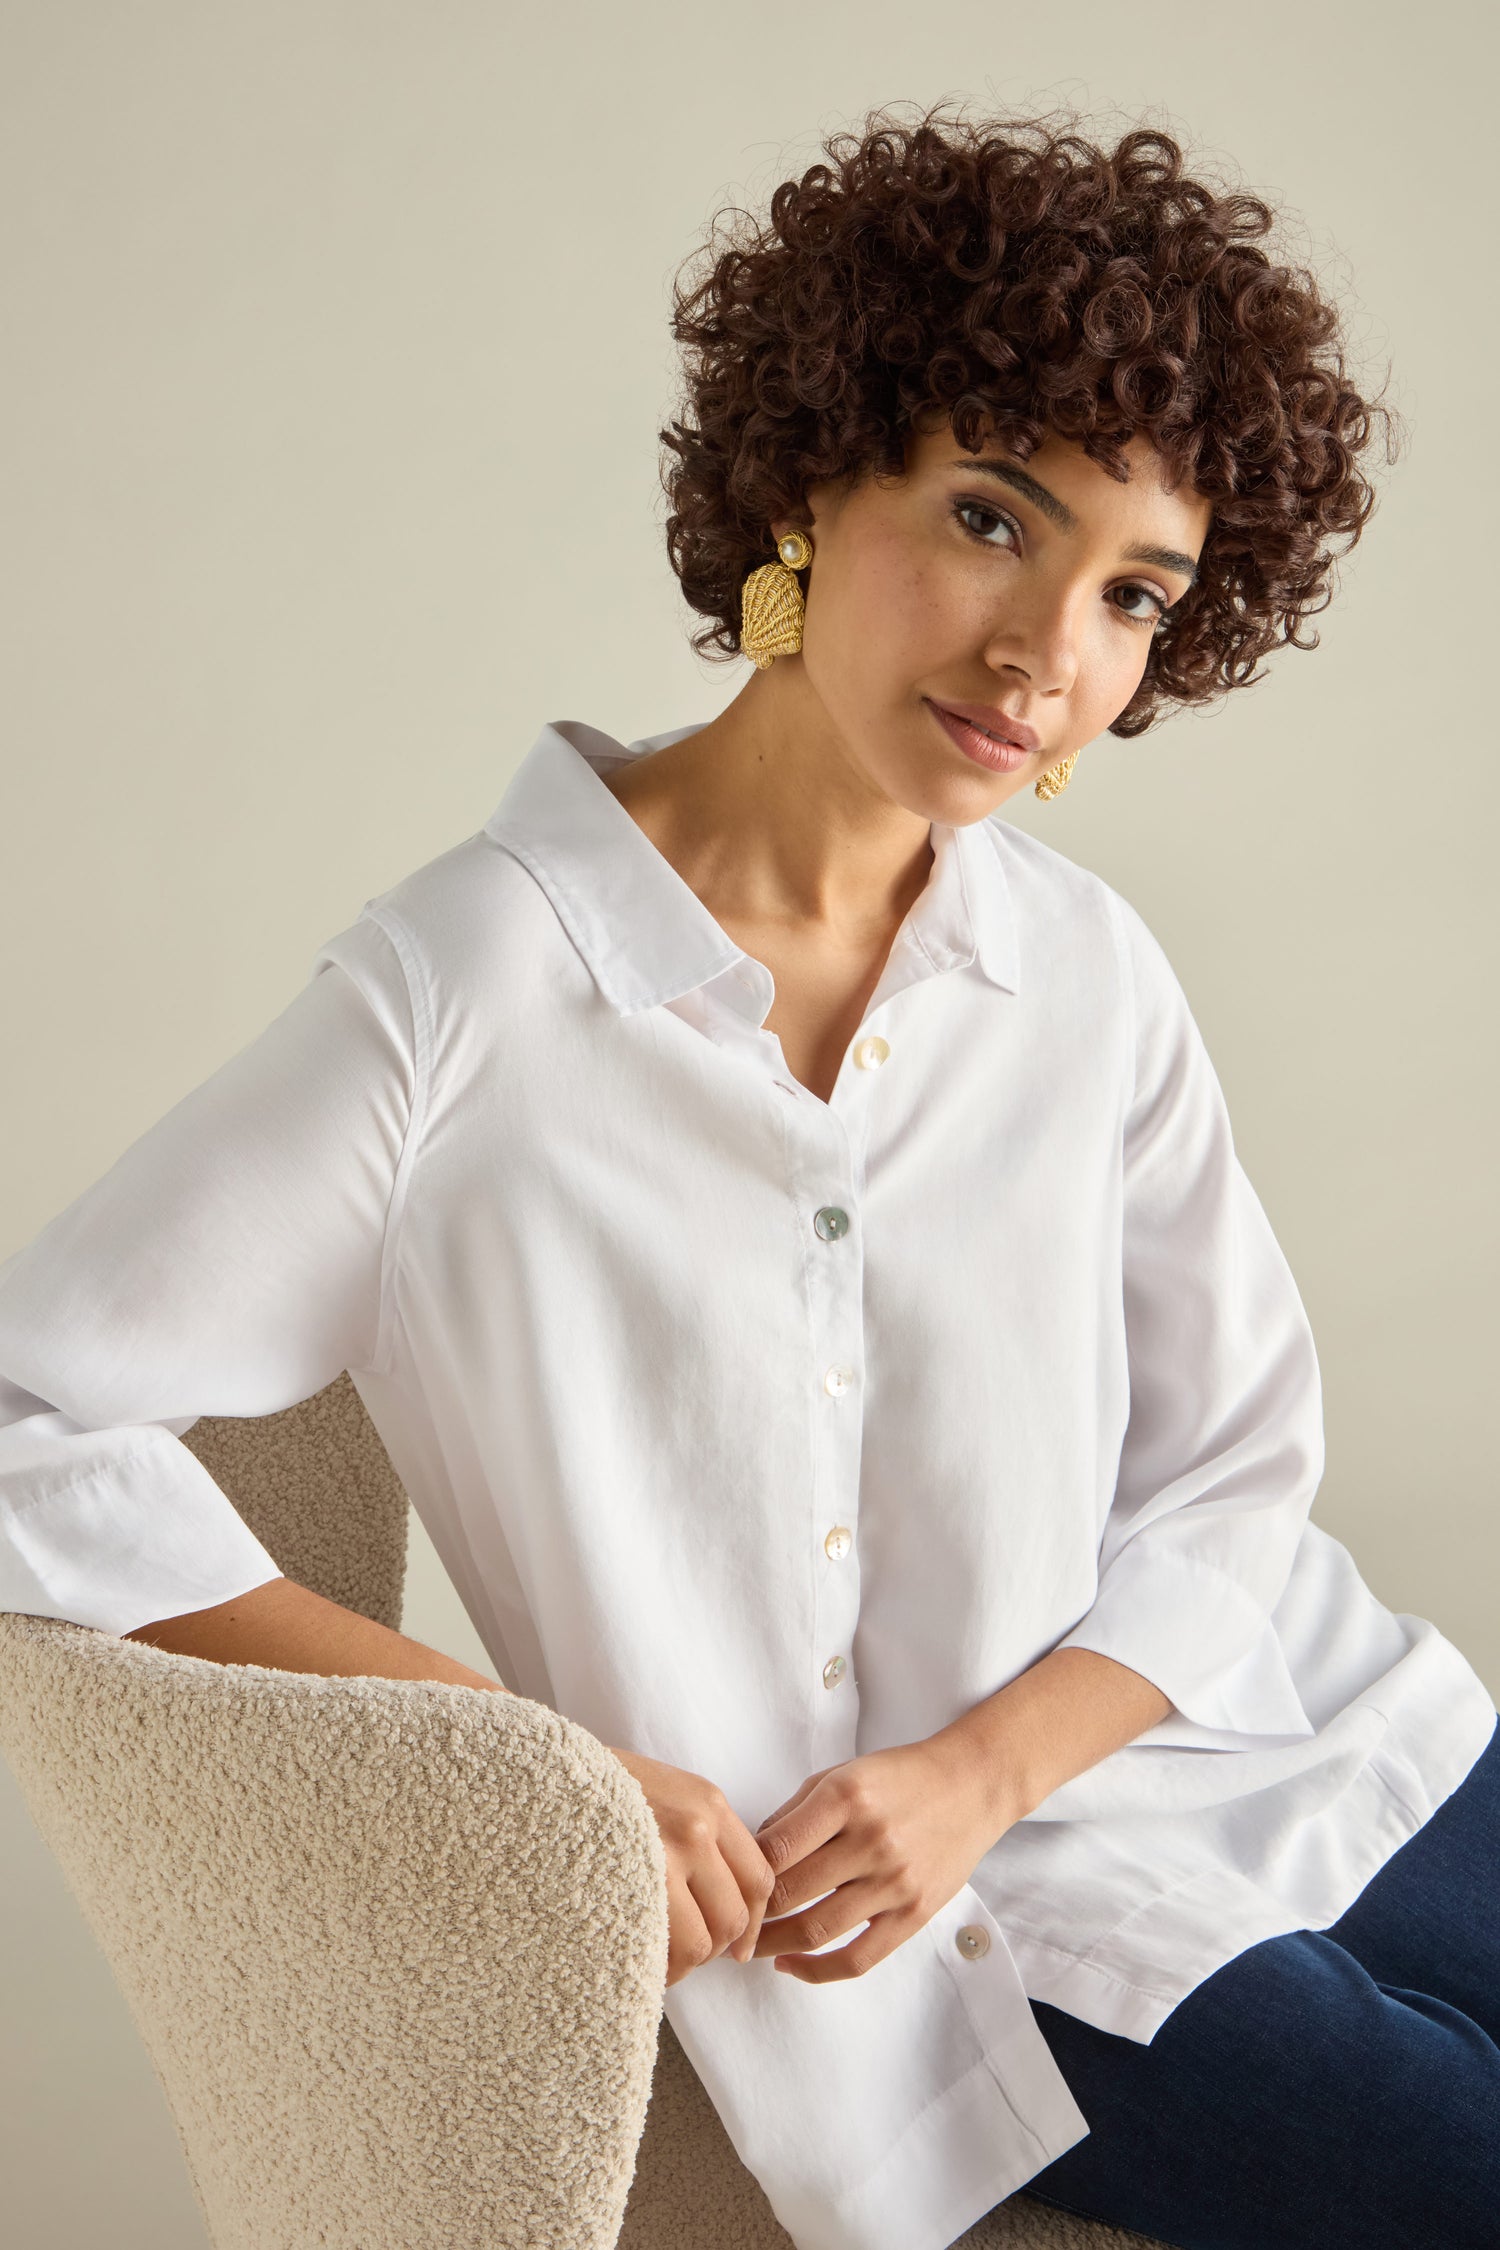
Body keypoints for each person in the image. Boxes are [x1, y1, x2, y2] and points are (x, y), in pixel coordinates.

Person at [1, 101, 1495, 2250]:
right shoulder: (474, 991)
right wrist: (525, 1765)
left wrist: (983, 1763)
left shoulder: (1078, 971)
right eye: (993, 518)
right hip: (965, 1958)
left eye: (1134, 594)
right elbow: (28, 1414)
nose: (1046, 656)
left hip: (1297, 1733)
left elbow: (1238, 1482)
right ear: (812, 469)